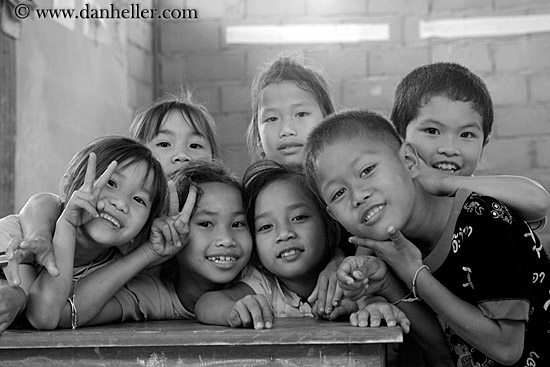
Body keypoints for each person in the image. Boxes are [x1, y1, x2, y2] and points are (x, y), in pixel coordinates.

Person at [304, 109, 550, 367]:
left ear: (409, 161)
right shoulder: (389, 249)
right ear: (333, 215)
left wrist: (415, 274)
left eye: (367, 170)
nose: (358, 196)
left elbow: (507, 348)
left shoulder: (485, 222)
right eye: (339, 192)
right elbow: (445, 353)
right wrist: (386, 283)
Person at [0, 92, 221, 299]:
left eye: (195, 145)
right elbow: (47, 202)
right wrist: (39, 235)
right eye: (164, 144)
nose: (182, 156)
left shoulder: (218, 212)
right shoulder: (104, 218)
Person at [195, 160, 410, 332]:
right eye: (266, 226)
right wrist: (233, 310)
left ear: (330, 226)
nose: (284, 234)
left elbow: (370, 298)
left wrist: (374, 308)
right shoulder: (265, 287)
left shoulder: (347, 277)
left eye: (298, 217)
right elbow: (207, 302)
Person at [46, 159, 253, 327]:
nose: (226, 239)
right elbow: (64, 314)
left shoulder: (260, 280)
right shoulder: (150, 293)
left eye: (238, 223)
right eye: (206, 223)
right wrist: (148, 252)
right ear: (170, 230)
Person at [0, 136, 168, 331]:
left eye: (139, 199)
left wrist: (67, 227)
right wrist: (19, 298)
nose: (121, 204)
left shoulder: (110, 274)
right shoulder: (18, 236)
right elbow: (39, 314)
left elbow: (42, 315)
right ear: (68, 185)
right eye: (111, 183)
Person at [246, 54, 357, 315]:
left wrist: (339, 260)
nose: (286, 129)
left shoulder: (351, 187)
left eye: (301, 113)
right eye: (271, 119)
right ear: (258, 137)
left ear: (328, 121)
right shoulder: (254, 196)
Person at [390, 62, 550, 225]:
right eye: (432, 131)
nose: (449, 149)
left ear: (483, 145)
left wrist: (441, 182)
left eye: (466, 134)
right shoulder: (387, 196)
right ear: (399, 137)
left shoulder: (484, 199)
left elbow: (539, 202)